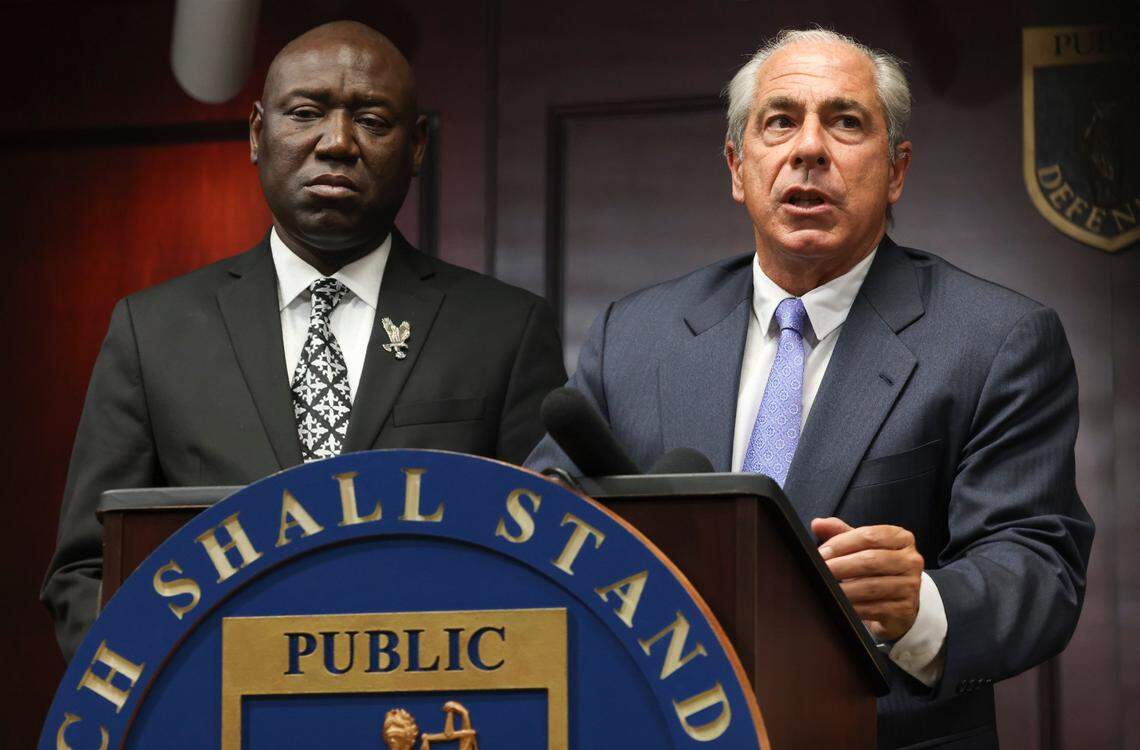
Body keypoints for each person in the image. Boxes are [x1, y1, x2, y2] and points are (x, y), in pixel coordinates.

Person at [525, 28, 1093, 749]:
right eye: (781, 120)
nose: (810, 148)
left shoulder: (996, 339)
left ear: (895, 172)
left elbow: (1038, 566)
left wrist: (923, 607)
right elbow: (538, 516)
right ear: (738, 167)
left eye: (846, 121)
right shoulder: (634, 335)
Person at [43, 21, 566, 662]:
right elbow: (85, 570)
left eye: (372, 120)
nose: (338, 143)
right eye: (307, 113)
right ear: (259, 134)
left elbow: (547, 566)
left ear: (418, 145)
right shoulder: (152, 332)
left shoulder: (504, 329)